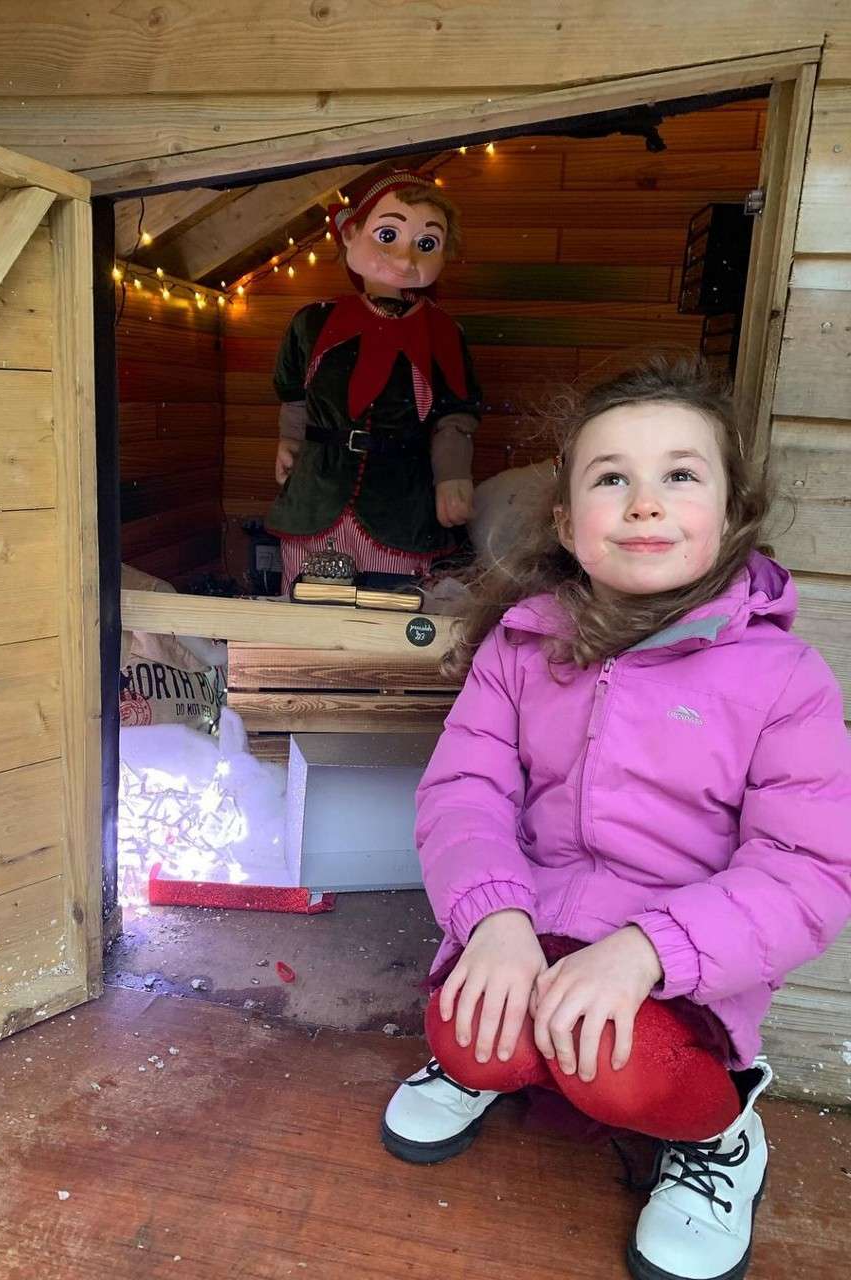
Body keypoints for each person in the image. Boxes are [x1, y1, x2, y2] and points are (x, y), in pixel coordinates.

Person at [380, 357, 851, 1280]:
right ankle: (499, 1054)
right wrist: (494, 922)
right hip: (534, 921)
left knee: (613, 1066)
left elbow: (807, 870)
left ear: (731, 513)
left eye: (679, 474)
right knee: (465, 1035)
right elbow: (464, 792)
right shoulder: (522, 645)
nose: (644, 504)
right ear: (566, 522)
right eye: (610, 479)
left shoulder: (785, 679)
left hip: (683, 963)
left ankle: (721, 1138)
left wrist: (646, 952)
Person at [265, 170, 482, 593]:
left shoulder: (443, 332)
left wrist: (453, 474)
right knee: (310, 598)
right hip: (316, 495)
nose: (404, 258)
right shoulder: (312, 322)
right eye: (387, 235)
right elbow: (294, 393)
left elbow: (456, 413)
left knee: (393, 604)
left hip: (400, 503)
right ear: (350, 234)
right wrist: (288, 440)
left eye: (426, 244)